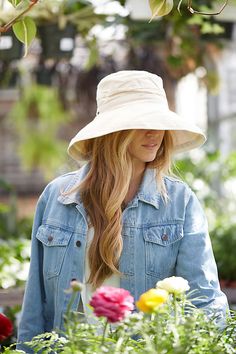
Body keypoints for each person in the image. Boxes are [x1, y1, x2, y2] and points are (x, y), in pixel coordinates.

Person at [17, 70, 229, 350]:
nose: (154, 132)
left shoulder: (179, 201)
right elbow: (35, 302)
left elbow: (204, 299)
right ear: (112, 131)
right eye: (141, 122)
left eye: (158, 122)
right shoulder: (57, 198)